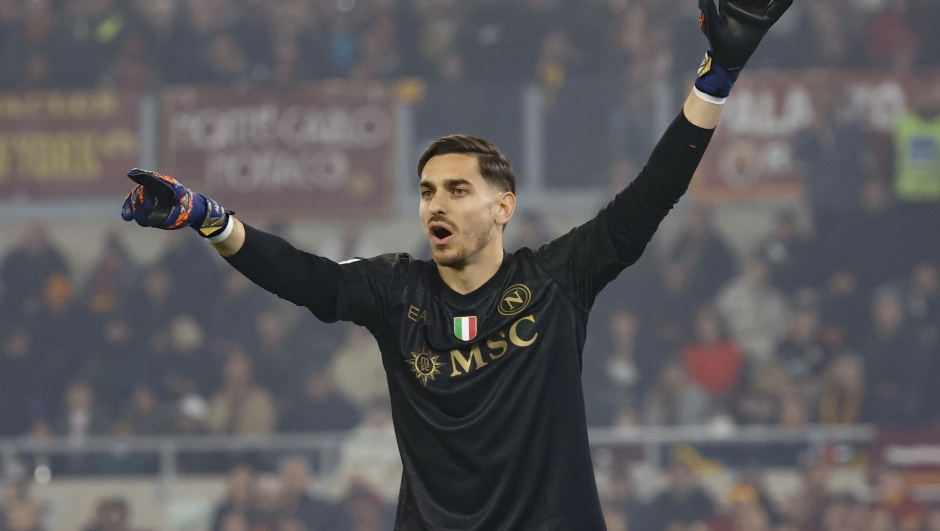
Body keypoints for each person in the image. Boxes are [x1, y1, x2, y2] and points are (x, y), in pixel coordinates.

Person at [119, 0, 792, 527]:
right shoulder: (395, 292)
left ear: (504, 207)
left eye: (458, 189)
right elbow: (305, 277)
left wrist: (718, 78)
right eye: (427, 191)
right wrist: (209, 218)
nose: (436, 203)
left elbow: (654, 191)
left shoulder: (556, 279)